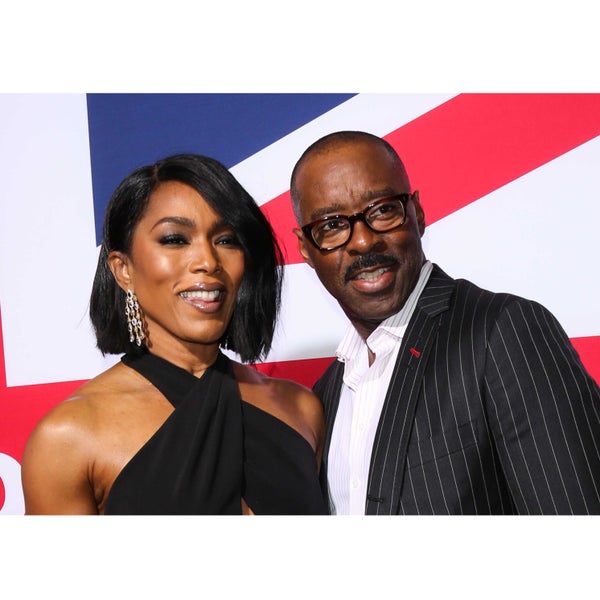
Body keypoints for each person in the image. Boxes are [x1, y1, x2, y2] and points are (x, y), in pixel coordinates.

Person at [289, 130, 600, 515]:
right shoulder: (324, 396)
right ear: (306, 249)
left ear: (417, 213)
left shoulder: (502, 332)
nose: (364, 242)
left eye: (383, 210)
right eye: (332, 226)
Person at [21, 153, 327, 515]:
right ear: (123, 269)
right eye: (175, 239)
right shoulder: (68, 437)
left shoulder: (301, 409)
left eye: (226, 240)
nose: (208, 261)